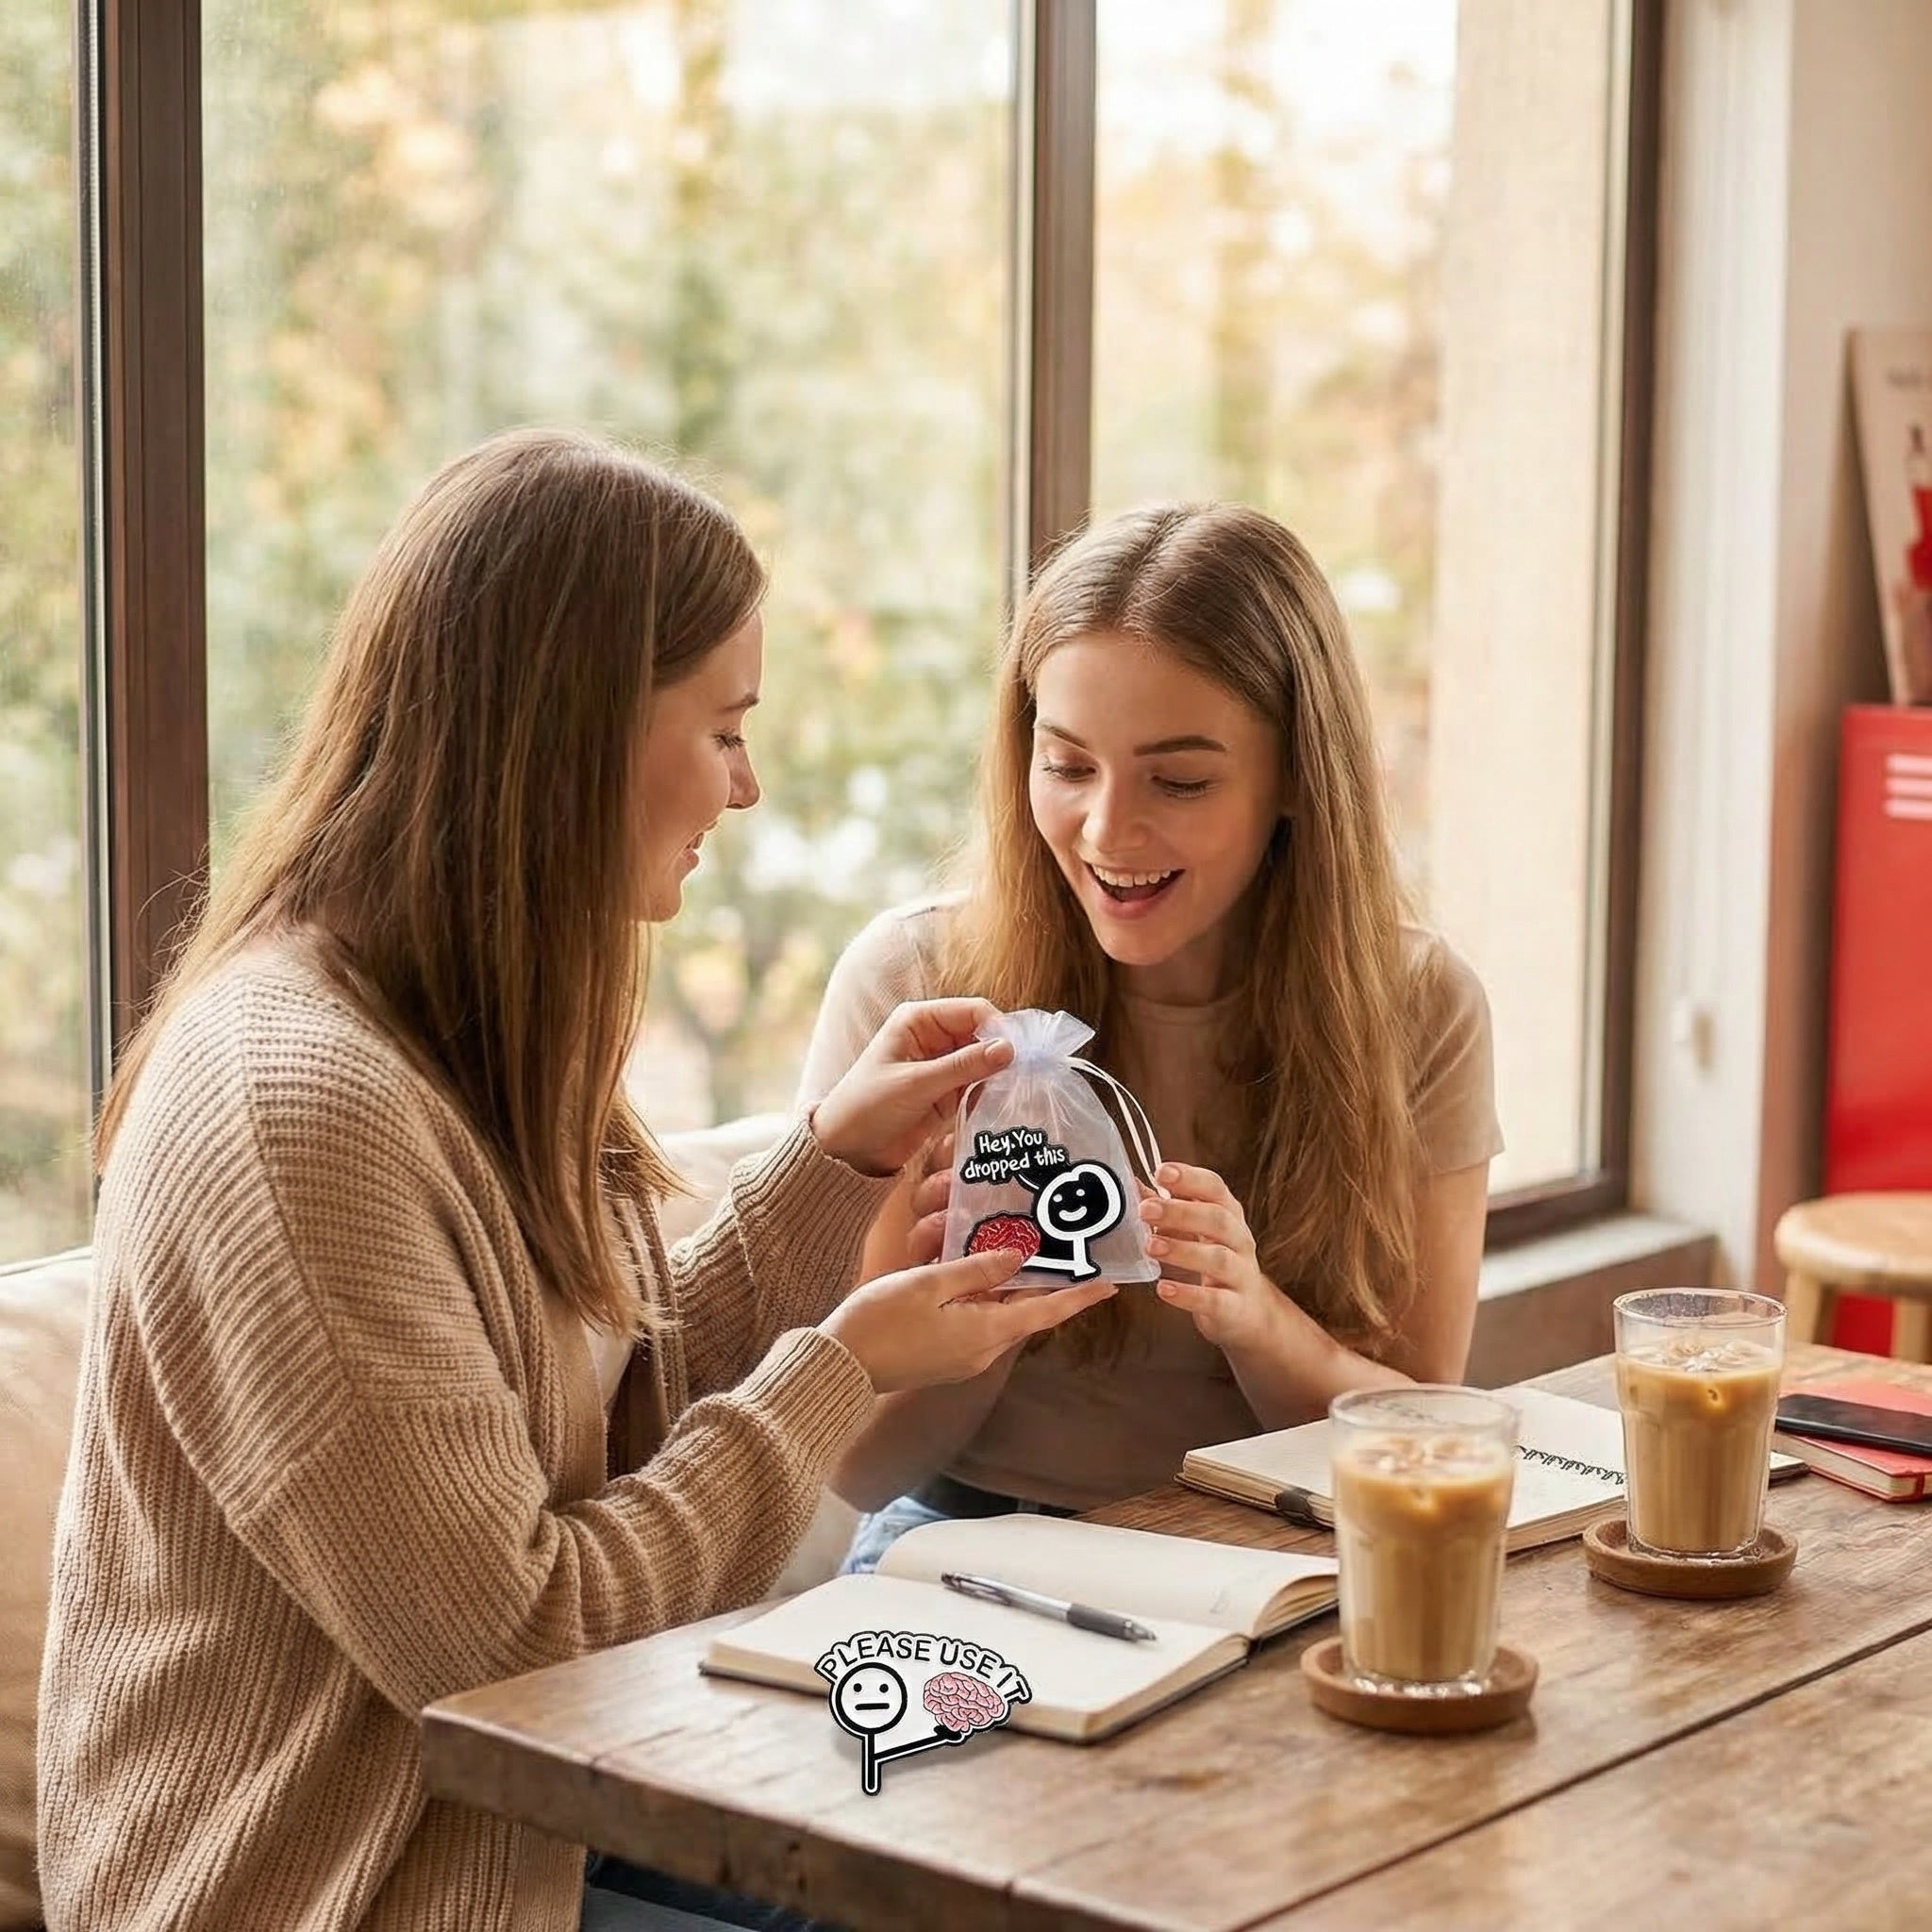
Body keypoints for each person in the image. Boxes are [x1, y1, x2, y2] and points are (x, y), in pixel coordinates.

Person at [35, 429, 1115, 1932]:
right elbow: (513, 1640)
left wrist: (831, 1169)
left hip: (531, 1813)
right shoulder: (298, 1112)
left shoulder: (460, 1019)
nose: (747, 786)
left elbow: (611, 1405)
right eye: (724, 725)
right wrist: (844, 1368)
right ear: (574, 731)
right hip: (349, 1880)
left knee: (1008, 1858)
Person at [797, 502, 1503, 1570]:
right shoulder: (918, 991)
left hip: (1268, 1553)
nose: (1107, 830)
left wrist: (1257, 1320)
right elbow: (857, 1469)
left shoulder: (1418, 1005)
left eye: (1178, 779)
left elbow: (1423, 1428)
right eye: (1068, 765)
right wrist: (992, 1306)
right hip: (961, 1544)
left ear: (1295, 780)